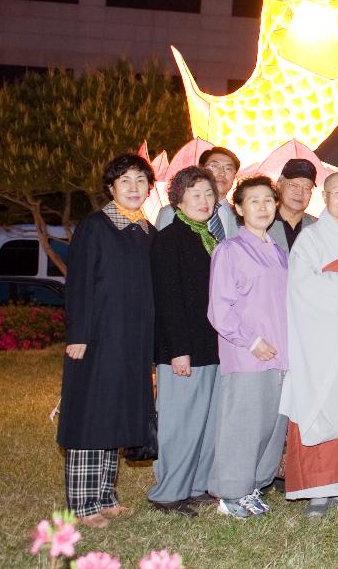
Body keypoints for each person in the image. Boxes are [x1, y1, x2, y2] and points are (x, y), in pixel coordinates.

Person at [57, 153, 158, 528]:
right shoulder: (96, 226)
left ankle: (106, 497)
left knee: (116, 414)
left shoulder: (147, 231)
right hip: (98, 338)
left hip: (133, 341)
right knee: (91, 415)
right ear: (111, 187)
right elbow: (79, 283)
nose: (134, 188)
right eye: (125, 181)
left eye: (140, 181)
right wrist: (78, 334)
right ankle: (83, 505)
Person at [279, 172, 338, 517]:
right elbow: (301, 287)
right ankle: (317, 489)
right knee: (318, 402)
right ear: (325, 196)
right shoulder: (311, 238)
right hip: (318, 338)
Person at [206, 176, 289, 519]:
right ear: (238, 208)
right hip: (248, 354)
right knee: (243, 425)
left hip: (281, 354)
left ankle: (253, 487)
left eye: (268, 200)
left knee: (271, 427)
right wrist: (251, 341)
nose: (262, 206)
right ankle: (231, 493)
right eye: (253, 200)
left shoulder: (279, 252)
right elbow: (219, 309)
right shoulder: (231, 250)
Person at [147, 166, 222, 517]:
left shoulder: (210, 238)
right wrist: (179, 351)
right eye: (195, 194)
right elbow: (168, 299)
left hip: (210, 347)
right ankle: (167, 492)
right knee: (180, 423)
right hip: (183, 350)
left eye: (209, 194)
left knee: (205, 423)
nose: (204, 200)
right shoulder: (168, 238)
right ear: (178, 198)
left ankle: (194, 485)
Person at [154, 146, 240, 238]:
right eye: (214, 166)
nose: (222, 173)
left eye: (228, 169)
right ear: (201, 169)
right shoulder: (171, 212)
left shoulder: (242, 217)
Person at [269, 158, 318, 254]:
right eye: (294, 185)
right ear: (279, 183)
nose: (300, 192)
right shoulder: (260, 223)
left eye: (307, 188)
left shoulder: (319, 227)